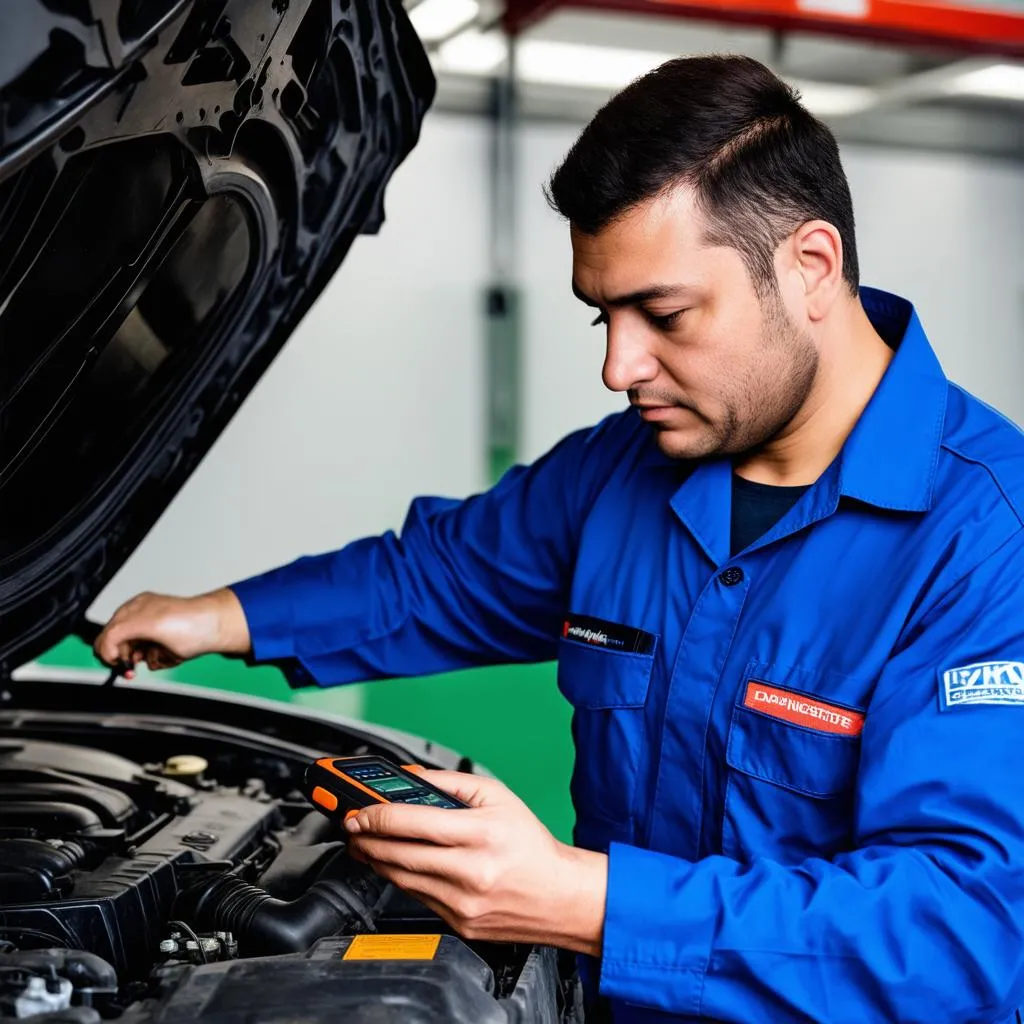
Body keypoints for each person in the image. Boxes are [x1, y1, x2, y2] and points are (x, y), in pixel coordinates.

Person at [95, 54, 1024, 1023]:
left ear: (810, 266)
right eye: (604, 316)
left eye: (662, 315)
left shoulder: (988, 541)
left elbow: (962, 928)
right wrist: (220, 616)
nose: (619, 366)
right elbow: (439, 576)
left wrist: (580, 899)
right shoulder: (617, 473)